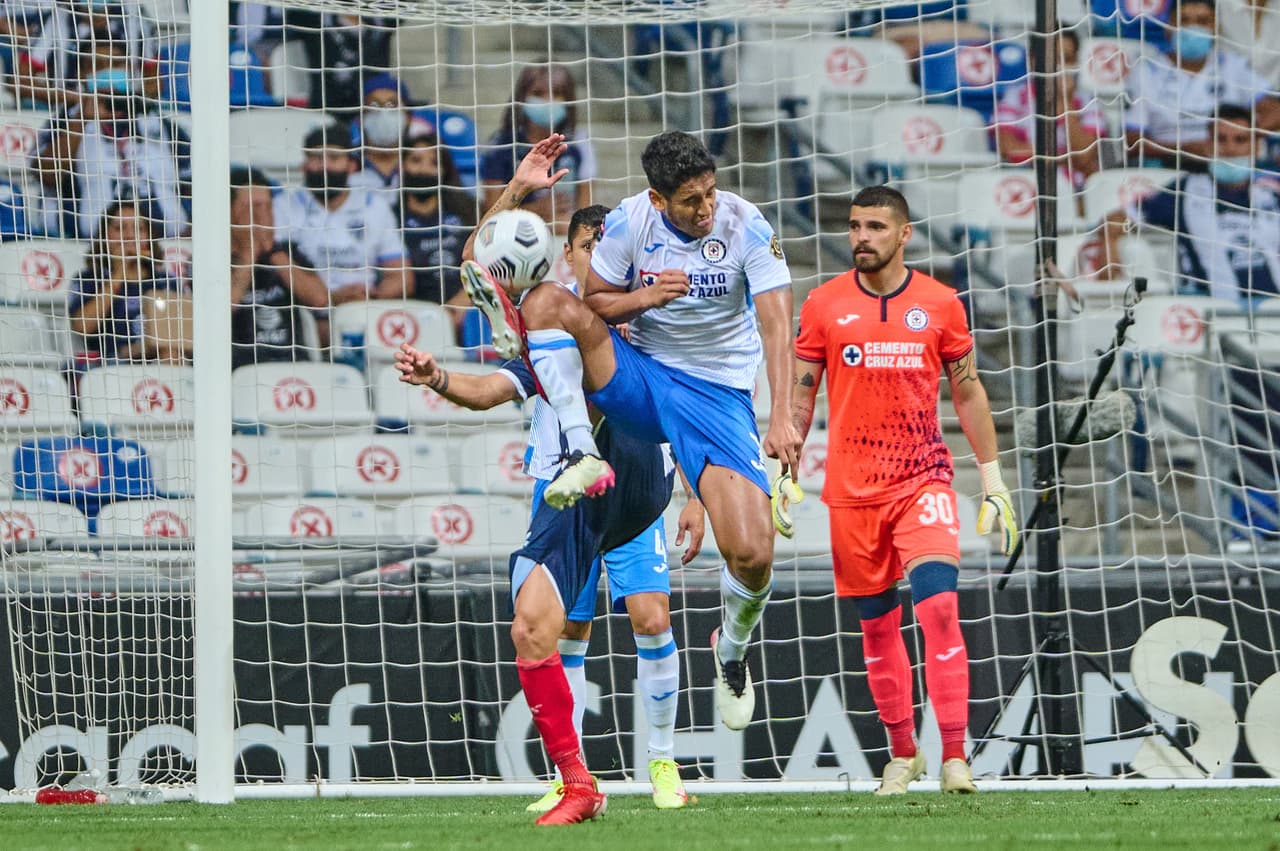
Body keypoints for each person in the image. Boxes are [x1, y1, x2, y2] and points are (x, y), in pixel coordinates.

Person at [461, 131, 798, 737]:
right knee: (546, 305)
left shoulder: (746, 224)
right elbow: (592, 302)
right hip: (638, 378)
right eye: (691, 201)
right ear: (658, 198)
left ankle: (731, 646)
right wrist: (646, 295)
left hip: (714, 392)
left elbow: (776, 325)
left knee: (752, 555)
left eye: (710, 194)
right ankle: (578, 447)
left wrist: (780, 417)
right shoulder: (628, 223)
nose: (706, 209)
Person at [396, 202, 703, 824]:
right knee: (549, 629)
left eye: (608, 248)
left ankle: (662, 760)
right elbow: (487, 384)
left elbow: (686, 412)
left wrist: (695, 494)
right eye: (588, 247)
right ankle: (574, 779)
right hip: (564, 490)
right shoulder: (549, 326)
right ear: (565, 254)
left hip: (634, 480)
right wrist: (437, 378)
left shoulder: (638, 326)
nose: (597, 258)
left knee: (649, 617)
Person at [787, 185, 1019, 796]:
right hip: (852, 491)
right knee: (877, 627)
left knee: (940, 608)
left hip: (924, 478)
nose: (861, 237)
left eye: (875, 227)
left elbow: (967, 391)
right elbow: (802, 392)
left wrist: (992, 478)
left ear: (904, 234)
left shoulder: (941, 304)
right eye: (854, 226)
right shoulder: (822, 304)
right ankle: (903, 753)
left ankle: (956, 758)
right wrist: (784, 467)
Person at [1102, 105, 1280, 305]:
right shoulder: (1184, 191)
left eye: (1240, 140)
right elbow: (1117, 218)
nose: (1230, 149)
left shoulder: (1272, 191)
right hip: (1209, 310)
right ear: (1207, 145)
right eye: (1221, 139)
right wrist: (1108, 245)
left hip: (1273, 310)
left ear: (1256, 146)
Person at [32, 67, 189, 239]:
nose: (107, 70)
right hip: (88, 240)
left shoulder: (161, 125)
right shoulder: (65, 119)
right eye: (97, 64)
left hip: (163, 241)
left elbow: (193, 182)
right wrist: (81, 120)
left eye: (116, 63)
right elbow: (46, 176)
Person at [1124, 0, 1280, 167]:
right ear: (1168, 27)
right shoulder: (1146, 71)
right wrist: (1183, 149)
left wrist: (1235, 141)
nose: (1192, 27)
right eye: (1184, 20)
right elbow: (1132, 141)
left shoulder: (1232, 66)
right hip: (1167, 163)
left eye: (1202, 21)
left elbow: (1275, 111)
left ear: (1215, 28)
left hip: (1228, 164)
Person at [271, 122, 409, 304]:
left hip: (364, 306)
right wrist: (331, 298)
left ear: (351, 165)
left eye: (334, 158)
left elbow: (402, 278)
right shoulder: (283, 206)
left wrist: (370, 296)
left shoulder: (375, 206)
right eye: (317, 158)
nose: (325, 166)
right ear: (304, 166)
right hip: (307, 309)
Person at [229, 166, 330, 367]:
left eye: (267, 207)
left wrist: (272, 252)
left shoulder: (288, 253)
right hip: (241, 367)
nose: (262, 216)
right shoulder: (213, 258)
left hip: (292, 366)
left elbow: (319, 300)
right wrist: (249, 254)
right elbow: (219, 313)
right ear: (230, 212)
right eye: (252, 208)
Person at [478, 63, 595, 233]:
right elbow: (491, 214)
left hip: (565, 235)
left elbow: (587, 211)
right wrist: (537, 210)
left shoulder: (579, 143)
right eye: (538, 93)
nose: (548, 100)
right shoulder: (500, 145)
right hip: (512, 236)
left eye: (557, 93)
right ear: (522, 97)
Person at [67, 198, 187, 361]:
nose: (130, 236)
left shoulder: (165, 281)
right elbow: (83, 327)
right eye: (120, 228)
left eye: (138, 228)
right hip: (109, 364)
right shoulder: (88, 278)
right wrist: (119, 273)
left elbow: (182, 333)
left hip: (159, 360)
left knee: (172, 355)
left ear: (149, 236)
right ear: (105, 235)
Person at [993, 28, 1106, 192]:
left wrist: (1065, 103)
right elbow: (1009, 149)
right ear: (1033, 60)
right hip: (1027, 186)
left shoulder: (1089, 101)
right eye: (1052, 58)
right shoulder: (1015, 96)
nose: (1060, 66)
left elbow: (1084, 157)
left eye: (1067, 59)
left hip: (1079, 191)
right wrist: (1063, 156)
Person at [395, 129, 475, 320]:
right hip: (409, 314)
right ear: (402, 166)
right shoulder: (390, 218)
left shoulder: (467, 215)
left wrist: (458, 307)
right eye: (416, 161)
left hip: (465, 310)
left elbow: (483, 269)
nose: (424, 169)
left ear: (445, 170)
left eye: (434, 163)